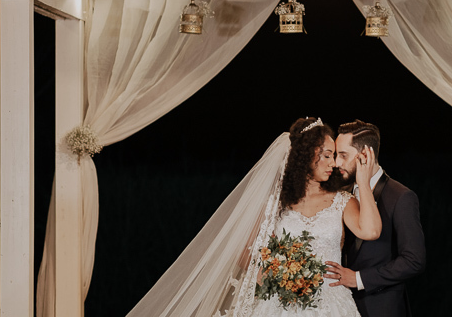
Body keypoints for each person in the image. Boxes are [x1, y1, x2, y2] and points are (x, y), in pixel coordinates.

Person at [126, 117, 381, 317]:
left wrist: (362, 181)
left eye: (334, 155)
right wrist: (276, 277)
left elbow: (370, 231)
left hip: (331, 304)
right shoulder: (278, 203)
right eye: (326, 155)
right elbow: (243, 251)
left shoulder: (343, 201)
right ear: (305, 156)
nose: (334, 163)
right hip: (279, 304)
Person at [325, 120, 426, 317]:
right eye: (336, 155)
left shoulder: (400, 196)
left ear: (365, 155)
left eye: (343, 155)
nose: (337, 163)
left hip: (382, 307)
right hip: (340, 306)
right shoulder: (341, 195)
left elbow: (414, 260)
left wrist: (359, 279)